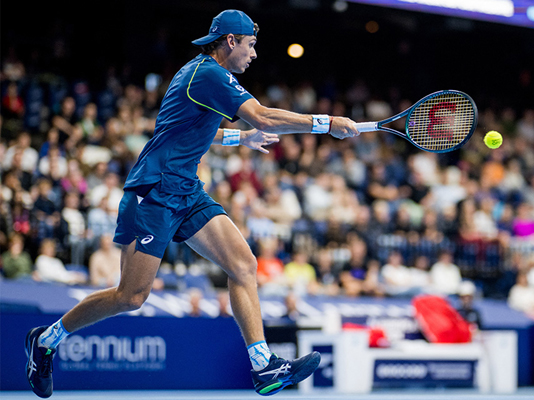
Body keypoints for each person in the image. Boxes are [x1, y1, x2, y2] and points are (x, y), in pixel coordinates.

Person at [24, 9, 358, 398]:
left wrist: (240, 139)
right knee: (131, 296)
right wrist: (326, 122)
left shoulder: (205, 76)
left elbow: (193, 130)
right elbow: (265, 118)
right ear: (230, 42)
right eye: (250, 45)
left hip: (186, 191)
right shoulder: (209, 73)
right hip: (154, 192)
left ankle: (263, 365)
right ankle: (46, 340)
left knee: (243, 264)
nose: (253, 54)